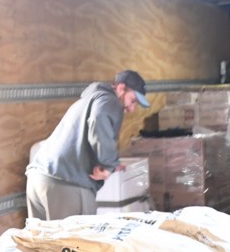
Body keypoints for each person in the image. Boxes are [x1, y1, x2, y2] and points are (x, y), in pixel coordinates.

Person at [25, 69, 150, 220]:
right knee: (77, 242)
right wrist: (108, 165)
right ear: (121, 88)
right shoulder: (110, 100)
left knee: (42, 241)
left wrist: (111, 162)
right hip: (66, 184)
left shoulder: (88, 100)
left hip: (38, 180)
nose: (131, 109)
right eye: (133, 100)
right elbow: (99, 121)